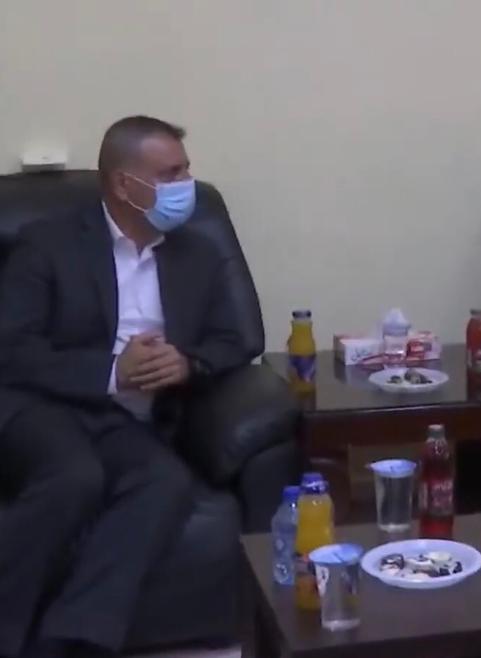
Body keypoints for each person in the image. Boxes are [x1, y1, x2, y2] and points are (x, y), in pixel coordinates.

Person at [0, 116, 258, 658]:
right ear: (124, 184)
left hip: (124, 423)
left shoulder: (197, 253)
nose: (186, 184)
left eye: (186, 170)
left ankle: (74, 638)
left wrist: (189, 364)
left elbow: (239, 338)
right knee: (74, 477)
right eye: (170, 174)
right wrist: (113, 371)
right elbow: (12, 348)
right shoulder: (48, 243)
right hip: (43, 407)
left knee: (164, 480)